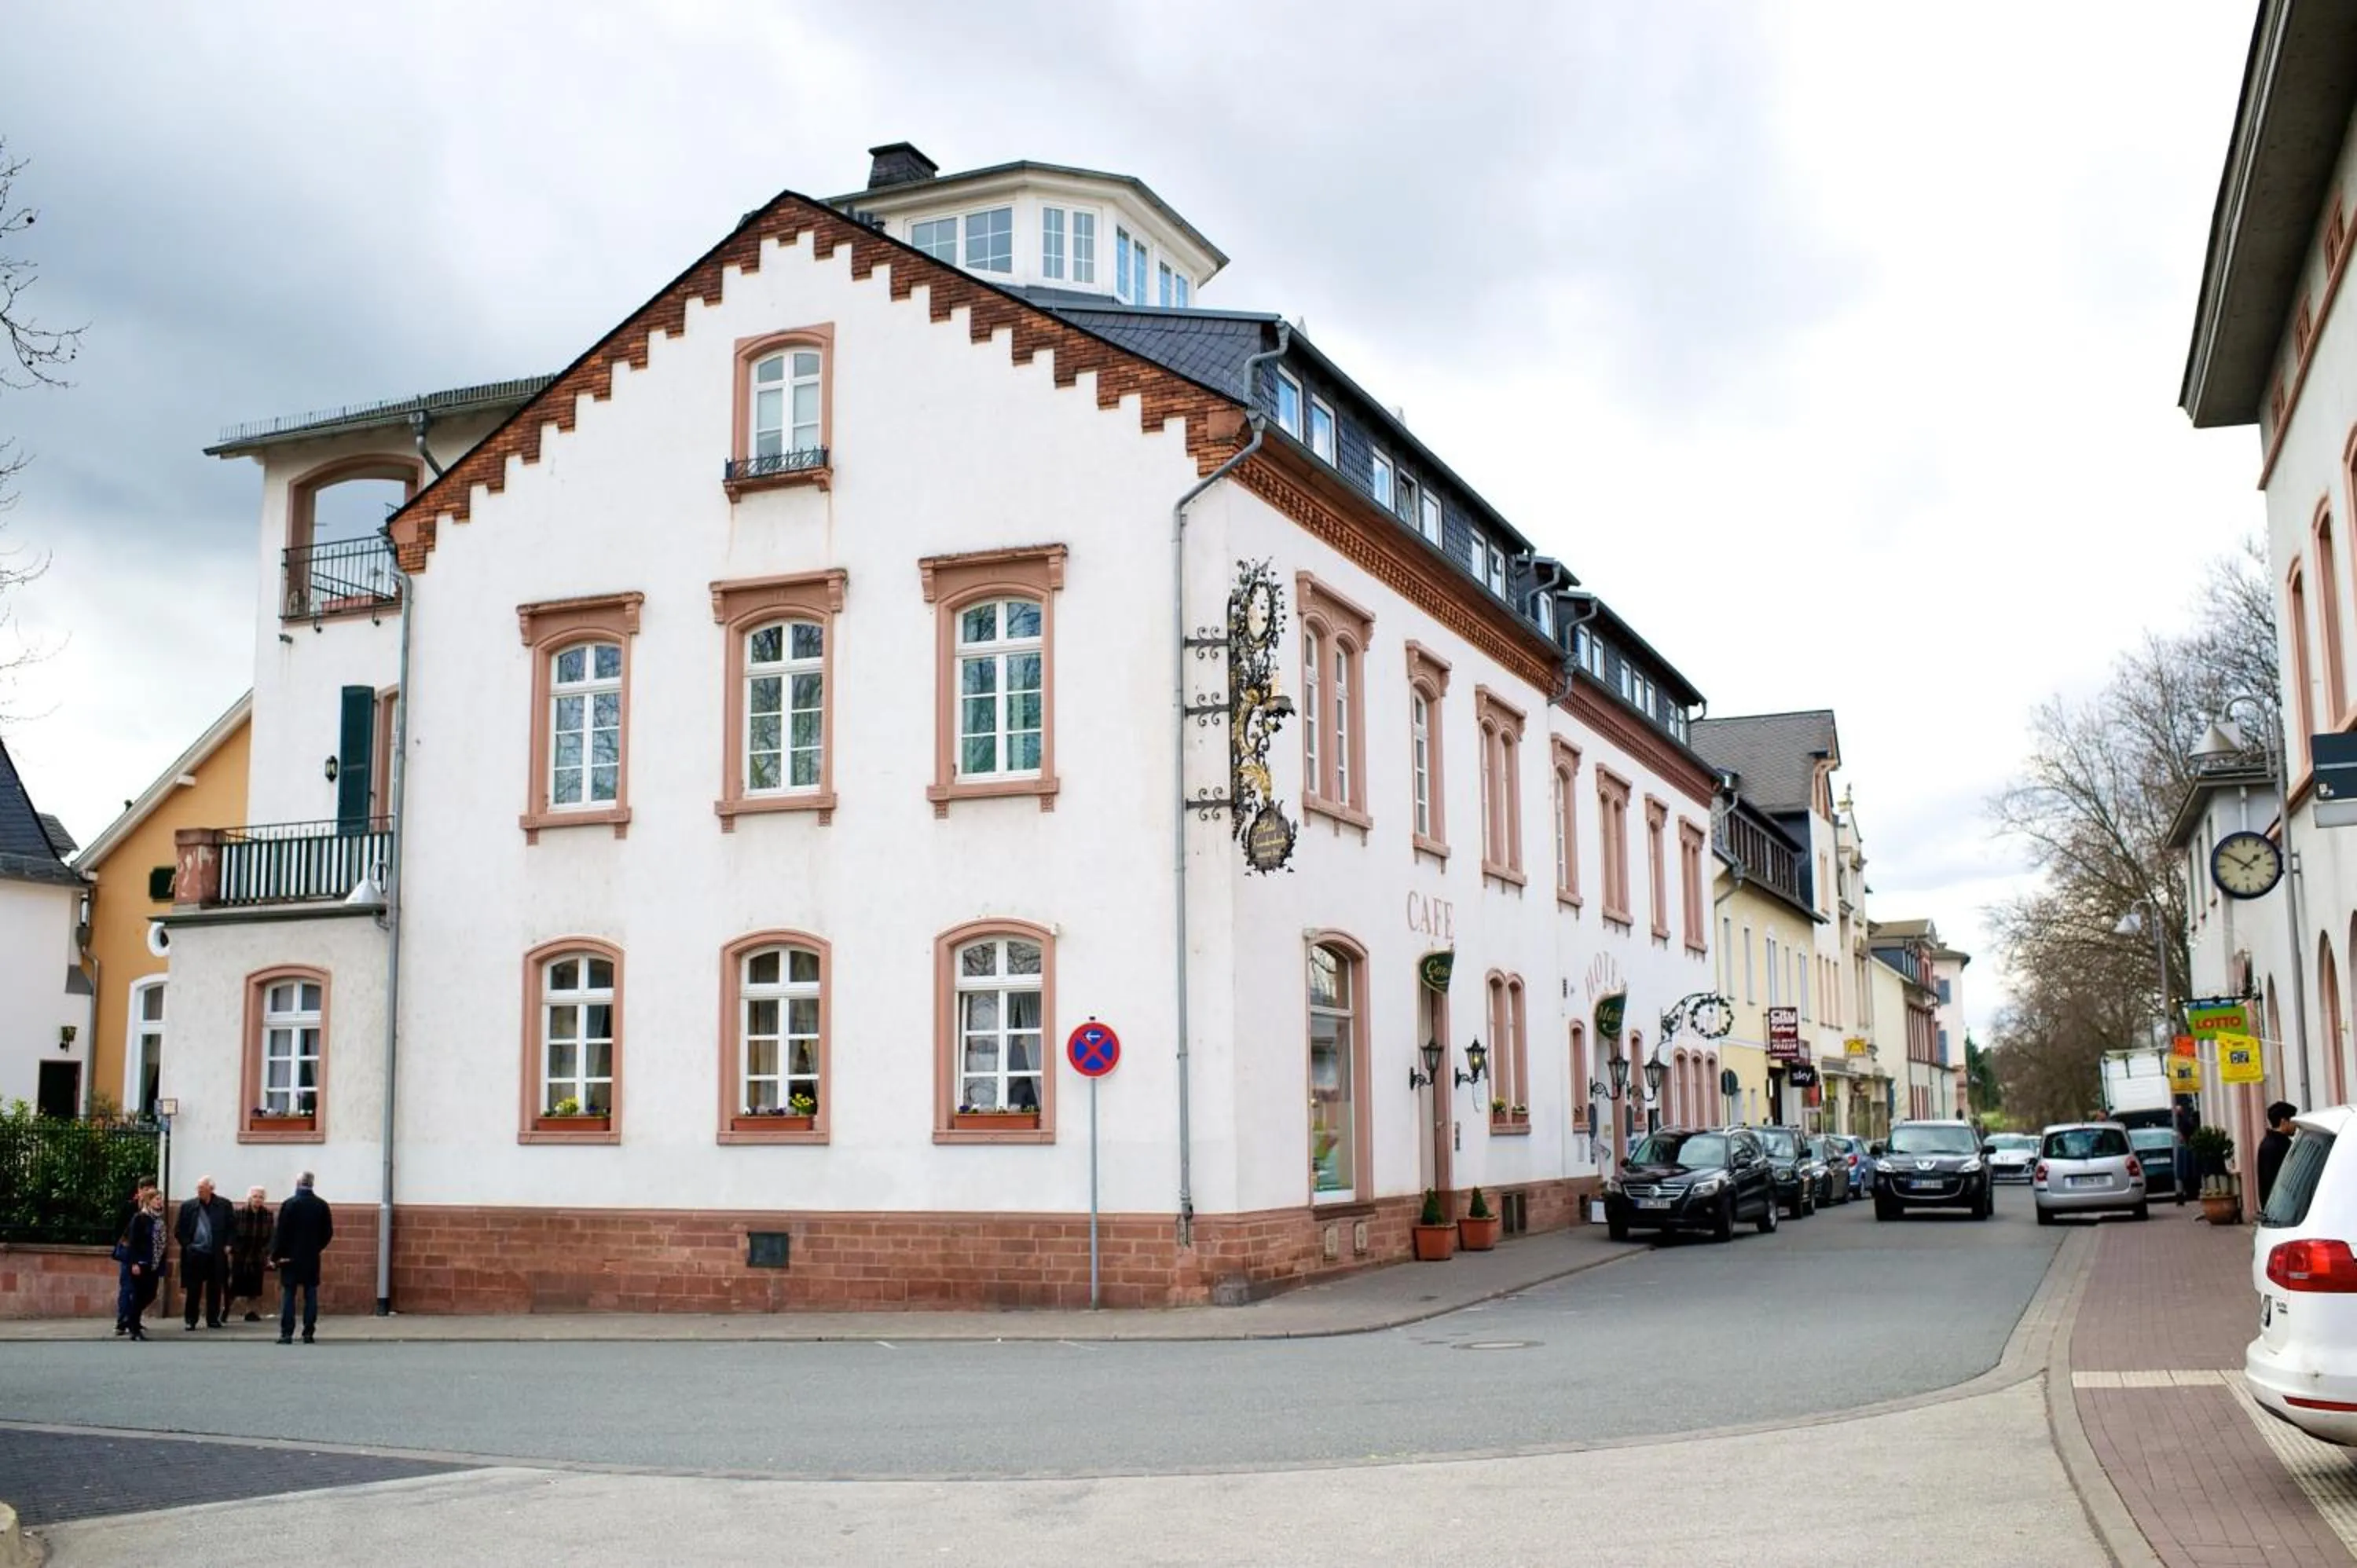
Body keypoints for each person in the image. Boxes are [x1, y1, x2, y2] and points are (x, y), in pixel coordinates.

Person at [270, 1171, 333, 1346]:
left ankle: (286, 1334)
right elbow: (328, 1232)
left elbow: (280, 1233)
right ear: (312, 1184)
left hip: (289, 1257)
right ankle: (308, 1333)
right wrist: (316, 1248)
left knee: (289, 1294)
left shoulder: (289, 1204)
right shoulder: (321, 1205)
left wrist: (276, 1256)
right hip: (311, 1257)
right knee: (310, 1294)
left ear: (297, 1183)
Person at [174, 1175, 236, 1330]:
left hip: (216, 1252)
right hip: (195, 1253)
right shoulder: (188, 1206)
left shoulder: (224, 1205)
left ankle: (213, 1318)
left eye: (202, 1188)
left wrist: (229, 1244)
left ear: (211, 1189)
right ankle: (191, 1319)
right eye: (198, 1188)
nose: (199, 1191)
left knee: (215, 1287)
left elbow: (232, 1228)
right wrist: (188, 1246)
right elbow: (179, 1230)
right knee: (193, 1288)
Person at [113, 1174, 156, 1337]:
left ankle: (133, 1319)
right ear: (140, 1191)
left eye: (151, 1189)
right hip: (130, 1255)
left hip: (143, 1256)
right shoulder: (131, 1208)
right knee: (127, 1287)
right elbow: (120, 1230)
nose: (149, 1192)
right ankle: (122, 1322)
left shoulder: (152, 1210)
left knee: (142, 1291)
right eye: (146, 1189)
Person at [229, 1185, 275, 1324]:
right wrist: (234, 1248)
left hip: (257, 1254)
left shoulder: (267, 1215)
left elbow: (271, 1235)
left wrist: (266, 1251)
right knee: (234, 1285)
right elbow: (232, 1234)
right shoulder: (239, 1213)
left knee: (254, 1286)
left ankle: (251, 1312)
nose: (258, 1200)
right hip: (241, 1254)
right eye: (255, 1197)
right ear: (249, 1198)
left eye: (261, 1197)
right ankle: (225, 1311)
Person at [124, 1188, 166, 1341]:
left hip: (153, 1263)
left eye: (160, 1199)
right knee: (139, 1294)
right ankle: (134, 1329)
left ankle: (131, 1318)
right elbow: (133, 1242)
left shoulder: (158, 1219)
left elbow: (161, 1242)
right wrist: (134, 1263)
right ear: (149, 1201)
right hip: (140, 1262)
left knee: (151, 1294)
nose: (159, 1202)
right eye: (157, 1199)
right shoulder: (140, 1218)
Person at [2258, 1101, 2300, 1209]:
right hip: (2280, 1207)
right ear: (2283, 1122)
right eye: (2293, 1121)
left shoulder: (2269, 1143)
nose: (2296, 1125)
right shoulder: (2276, 1146)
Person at [2172, 1096, 2201, 1206]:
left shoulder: (2182, 1123)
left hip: (2188, 1148)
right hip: (2188, 1148)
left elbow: (2184, 1135)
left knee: (2187, 1173)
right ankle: (2190, 1192)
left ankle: (2189, 1193)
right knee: (2188, 1173)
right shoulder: (2184, 1123)